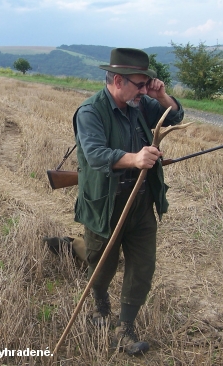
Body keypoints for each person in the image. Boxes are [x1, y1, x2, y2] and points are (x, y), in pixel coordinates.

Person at [72, 48, 184, 356]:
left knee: (143, 266)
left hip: (141, 202)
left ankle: (125, 327)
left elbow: (174, 116)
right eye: (139, 84)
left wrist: (161, 96)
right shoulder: (91, 111)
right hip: (106, 204)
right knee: (101, 261)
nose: (143, 91)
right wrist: (134, 158)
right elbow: (94, 154)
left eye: (147, 84)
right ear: (118, 80)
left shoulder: (140, 103)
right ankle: (100, 305)